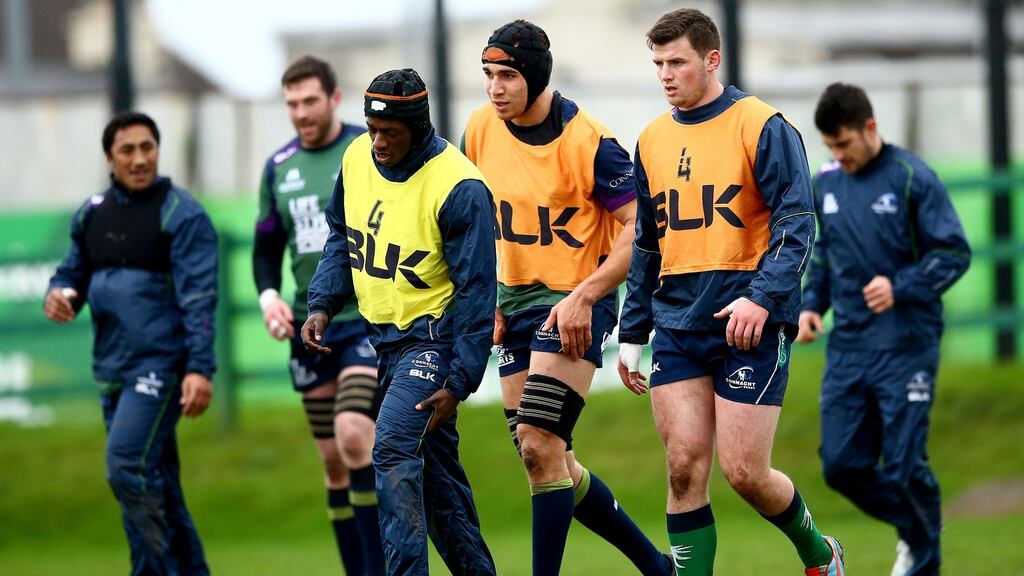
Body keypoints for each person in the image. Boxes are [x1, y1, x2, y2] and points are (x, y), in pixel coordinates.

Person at [616, 8, 845, 576]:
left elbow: (796, 222)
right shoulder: (651, 138)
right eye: (658, 64)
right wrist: (631, 331)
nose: (665, 74)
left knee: (744, 472)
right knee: (683, 467)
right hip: (676, 325)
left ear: (711, 60)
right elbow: (647, 242)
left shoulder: (761, 125)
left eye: (677, 62)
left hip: (748, 323)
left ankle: (820, 554)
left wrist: (762, 298)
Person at [462, 20, 671, 576]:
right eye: (488, 74)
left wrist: (586, 295)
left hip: (577, 302)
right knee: (549, 460)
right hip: (516, 304)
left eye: (507, 74)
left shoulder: (590, 142)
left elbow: (640, 229)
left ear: (534, 75)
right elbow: (471, 224)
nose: (495, 87)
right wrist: (489, 299)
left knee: (537, 445)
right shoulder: (479, 130)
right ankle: (657, 567)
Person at [303, 68, 497, 576]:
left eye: (391, 133)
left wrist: (460, 380)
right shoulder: (355, 158)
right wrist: (322, 301)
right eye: (372, 129)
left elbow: (478, 291)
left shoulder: (459, 186)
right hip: (384, 345)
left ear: (420, 126)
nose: (379, 142)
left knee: (388, 449)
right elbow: (340, 236)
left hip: (432, 343)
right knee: (440, 496)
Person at [798, 82, 971, 576]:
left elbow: (954, 254)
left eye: (845, 144)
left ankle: (920, 554)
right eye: (830, 146)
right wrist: (813, 306)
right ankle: (920, 530)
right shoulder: (826, 183)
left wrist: (901, 285)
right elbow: (826, 255)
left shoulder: (913, 178)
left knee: (901, 462)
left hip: (906, 344)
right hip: (849, 346)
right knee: (840, 464)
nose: (838, 155)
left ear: (870, 128)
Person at [44, 111, 216, 575]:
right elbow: (71, 273)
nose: (140, 158)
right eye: (128, 150)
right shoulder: (93, 212)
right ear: (109, 157)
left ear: (158, 150)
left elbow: (200, 299)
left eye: (148, 147)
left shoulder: (182, 214)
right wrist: (58, 295)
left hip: (158, 368)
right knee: (156, 483)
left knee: (126, 467)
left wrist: (200, 368)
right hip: (112, 370)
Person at [253, 55, 385, 575]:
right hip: (310, 327)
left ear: (333, 98)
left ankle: (380, 568)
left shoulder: (366, 148)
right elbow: (265, 247)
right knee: (334, 460)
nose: (301, 112)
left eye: (310, 100)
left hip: (365, 318)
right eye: (291, 104)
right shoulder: (279, 167)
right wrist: (268, 297)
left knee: (355, 434)